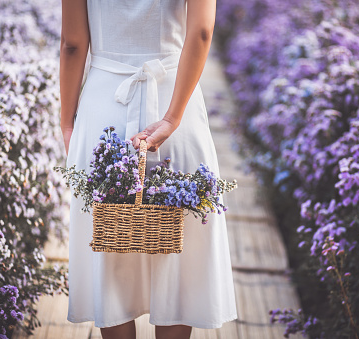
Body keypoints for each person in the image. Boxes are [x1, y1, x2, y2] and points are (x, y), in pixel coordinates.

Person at [59, 0, 238, 338]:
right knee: (177, 256)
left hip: (104, 107)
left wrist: (67, 124)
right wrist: (171, 118)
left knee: (108, 249)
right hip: (175, 102)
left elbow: (72, 44)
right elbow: (200, 31)